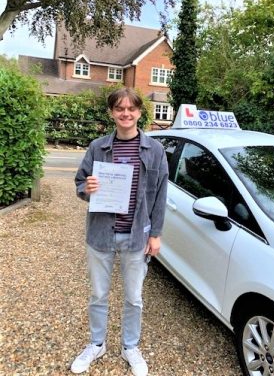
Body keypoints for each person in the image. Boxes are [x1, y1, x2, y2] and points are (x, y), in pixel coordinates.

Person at [72, 88, 168, 376]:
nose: (125, 113)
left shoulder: (155, 150)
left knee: (134, 297)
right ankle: (97, 343)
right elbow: (79, 183)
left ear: (140, 112)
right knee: (99, 294)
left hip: (137, 235)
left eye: (131, 108)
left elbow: (161, 194)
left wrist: (156, 234)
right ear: (112, 112)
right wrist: (86, 189)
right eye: (119, 108)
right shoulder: (97, 147)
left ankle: (130, 346)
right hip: (101, 234)